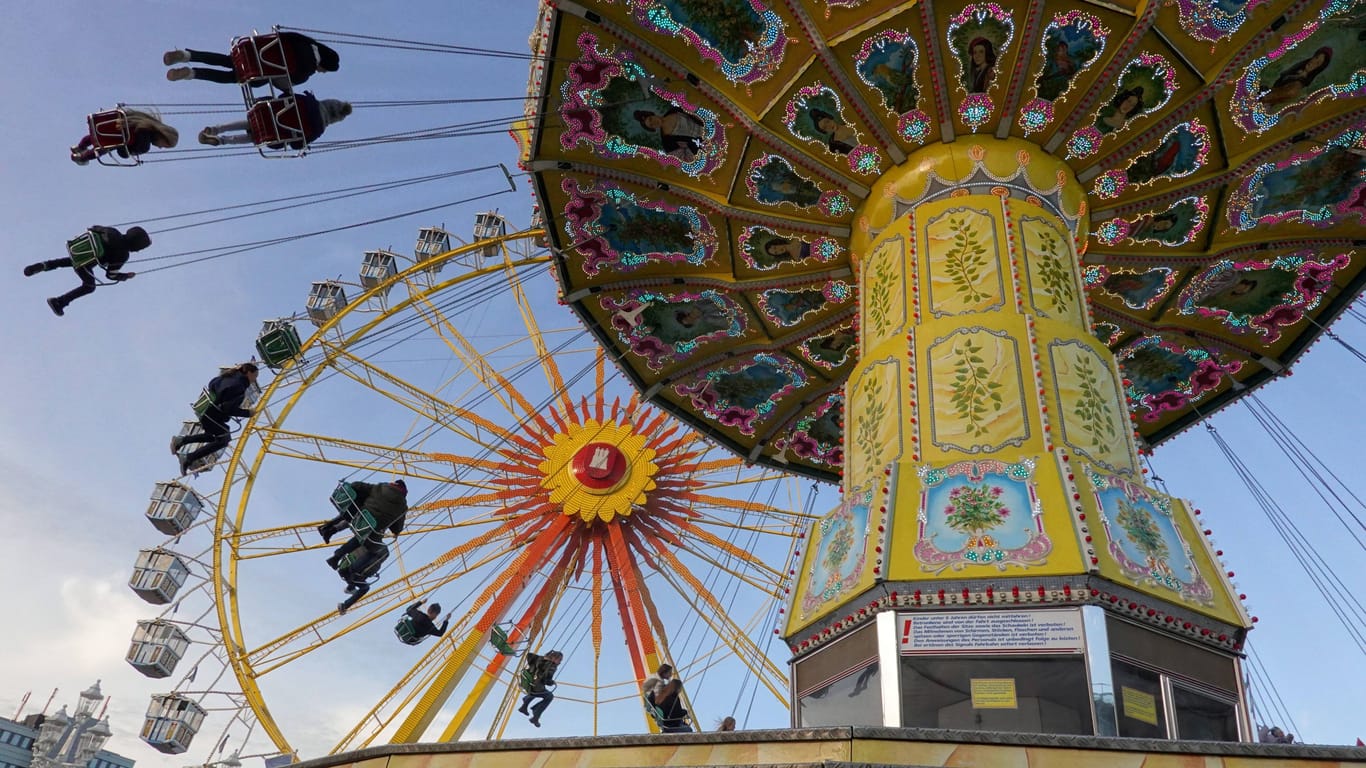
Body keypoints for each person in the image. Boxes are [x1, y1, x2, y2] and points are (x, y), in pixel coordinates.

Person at [23, 226, 148, 316]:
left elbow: (93, 228)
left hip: (79, 251)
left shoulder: (113, 231)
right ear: (135, 245)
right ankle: (59, 302)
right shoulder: (123, 254)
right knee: (89, 286)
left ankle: (44, 265)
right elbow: (111, 275)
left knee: (71, 261)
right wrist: (125, 276)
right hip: (86, 264)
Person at [163, 32, 340, 91]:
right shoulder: (305, 73)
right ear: (324, 65)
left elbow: (274, 36)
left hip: (253, 51)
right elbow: (281, 82)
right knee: (234, 77)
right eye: (325, 70)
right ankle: (192, 74)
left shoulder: (300, 39)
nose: (322, 72)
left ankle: (186, 55)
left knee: (228, 60)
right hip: (259, 71)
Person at [170, 363, 259, 475]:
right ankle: (188, 458)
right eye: (255, 376)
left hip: (204, 411)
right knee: (224, 439)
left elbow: (213, 387)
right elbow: (228, 409)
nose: (254, 380)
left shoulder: (225, 377)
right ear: (249, 373)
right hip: (213, 415)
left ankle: (181, 441)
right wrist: (248, 413)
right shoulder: (239, 386)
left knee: (212, 436)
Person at [198, 92, 352, 149]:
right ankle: (222, 141)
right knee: (256, 137)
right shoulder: (318, 130)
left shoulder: (308, 101)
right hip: (276, 134)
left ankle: (215, 129)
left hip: (270, 114)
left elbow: (285, 98)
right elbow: (297, 144)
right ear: (334, 120)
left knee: (252, 122)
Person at [320, 478, 410, 568]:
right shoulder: (403, 507)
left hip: (359, 516)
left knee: (358, 512)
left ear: (394, 484)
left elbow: (357, 486)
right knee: (372, 542)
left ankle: (329, 528)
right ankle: (342, 562)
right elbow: (397, 529)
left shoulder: (381, 487)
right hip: (371, 529)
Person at [70, 110, 179, 165]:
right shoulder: (144, 146)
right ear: (162, 137)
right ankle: (81, 157)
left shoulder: (141, 121)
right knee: (106, 146)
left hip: (102, 126)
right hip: (112, 139)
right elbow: (123, 152)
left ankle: (79, 147)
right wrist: (127, 154)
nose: (160, 148)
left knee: (99, 137)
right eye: (163, 146)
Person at [1259, 47, 1332, 109]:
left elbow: (1289, 92)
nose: (1313, 62)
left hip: (1264, 101)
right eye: (1316, 57)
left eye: (1318, 63)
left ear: (1318, 68)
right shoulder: (1297, 68)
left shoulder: (1299, 84)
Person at [632, 107, 706, 161]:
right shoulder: (667, 143)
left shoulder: (674, 110)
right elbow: (684, 159)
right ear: (652, 129)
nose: (654, 122)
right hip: (705, 147)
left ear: (653, 114)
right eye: (651, 125)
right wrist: (695, 147)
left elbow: (694, 111)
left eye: (651, 119)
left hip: (709, 127)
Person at [517, 650, 563, 727]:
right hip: (535, 687)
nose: (560, 662)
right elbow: (546, 680)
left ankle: (524, 705)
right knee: (549, 696)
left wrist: (544, 658)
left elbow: (529, 655)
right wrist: (552, 682)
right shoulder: (551, 666)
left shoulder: (538, 658)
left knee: (539, 689)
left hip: (528, 684)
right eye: (559, 660)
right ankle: (536, 715)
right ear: (554, 658)